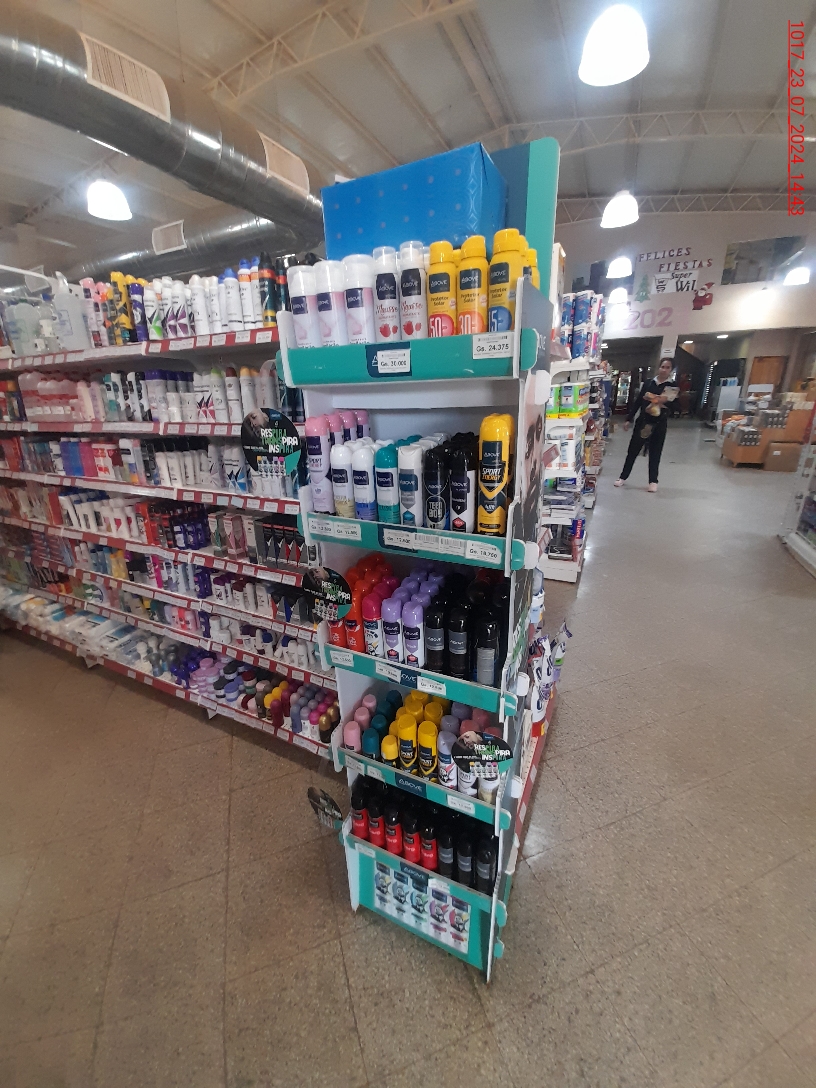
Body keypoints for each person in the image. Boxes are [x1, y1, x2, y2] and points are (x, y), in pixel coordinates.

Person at [615, 358, 679, 492]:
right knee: (633, 450)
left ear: (671, 370)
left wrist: (662, 403)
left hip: (660, 423)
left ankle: (653, 481)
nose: (664, 370)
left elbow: (674, 406)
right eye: (662, 367)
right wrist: (629, 419)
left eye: (667, 367)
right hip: (644, 422)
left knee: (655, 452)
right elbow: (638, 402)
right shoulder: (649, 383)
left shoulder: (672, 387)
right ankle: (623, 477)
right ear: (658, 368)